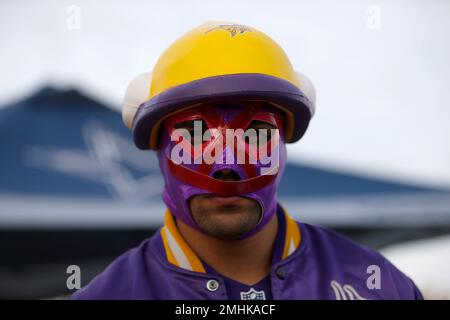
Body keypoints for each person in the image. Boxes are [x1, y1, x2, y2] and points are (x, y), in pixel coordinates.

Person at [72, 22, 423, 300]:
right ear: (158, 146)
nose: (227, 166)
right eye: (195, 138)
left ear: (283, 144)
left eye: (254, 137)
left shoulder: (378, 286)